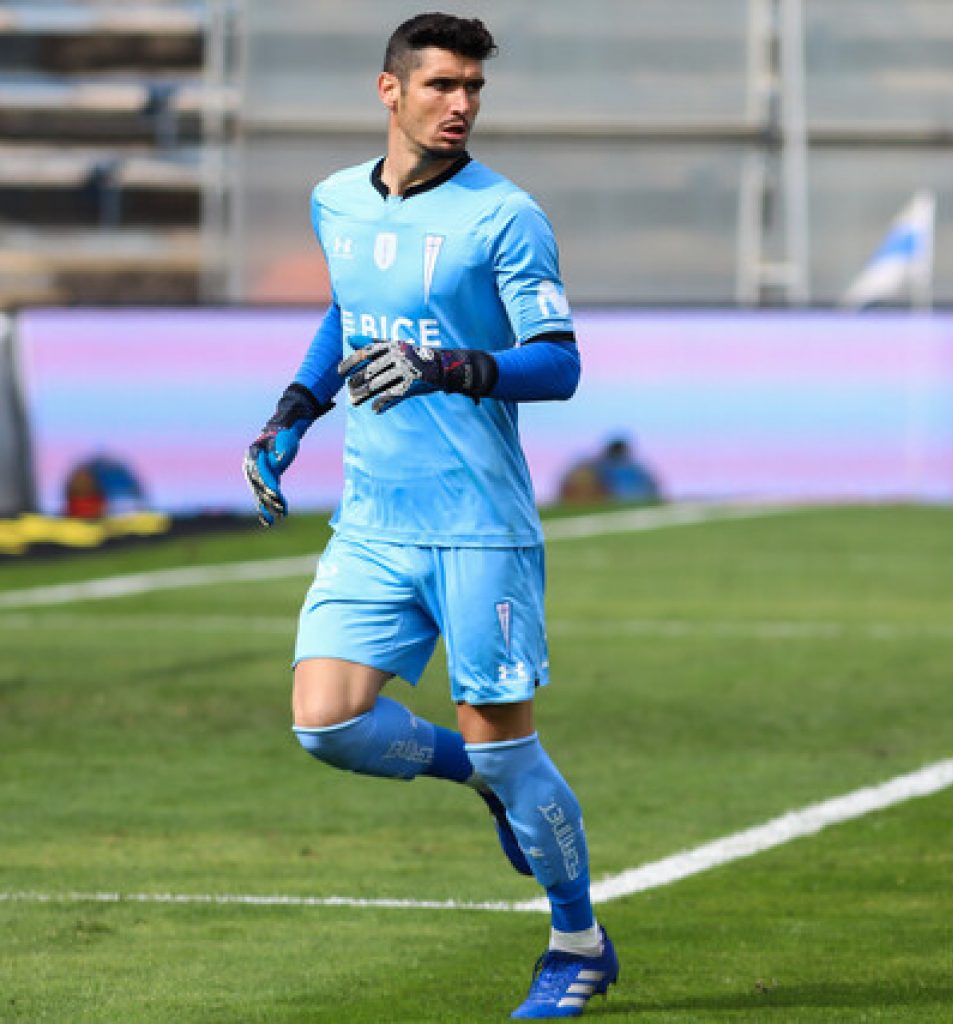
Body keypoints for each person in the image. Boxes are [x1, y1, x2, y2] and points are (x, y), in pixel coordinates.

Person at [243, 13, 618, 1019]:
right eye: (443, 85)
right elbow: (348, 311)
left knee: (508, 743)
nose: (460, 104)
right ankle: (476, 778)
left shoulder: (505, 216)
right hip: (372, 518)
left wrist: (452, 366)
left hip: (476, 526)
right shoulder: (334, 200)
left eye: (474, 89)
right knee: (325, 724)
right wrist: (293, 410)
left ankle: (576, 941)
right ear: (389, 91)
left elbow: (560, 363)